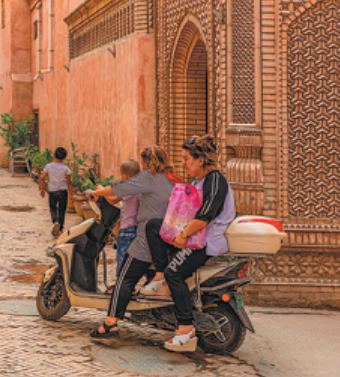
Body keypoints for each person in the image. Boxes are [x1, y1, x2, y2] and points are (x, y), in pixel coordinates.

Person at [141, 135, 235, 352]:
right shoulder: (198, 181)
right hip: (194, 235)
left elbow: (205, 216)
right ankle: (159, 276)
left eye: (186, 158)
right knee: (153, 226)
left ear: (200, 159)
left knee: (175, 273)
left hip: (205, 242)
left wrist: (182, 235)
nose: (182, 163)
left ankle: (186, 330)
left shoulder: (215, 180)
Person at [83, 146, 183, 341]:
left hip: (146, 239)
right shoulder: (171, 177)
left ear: (146, 163)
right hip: (168, 237)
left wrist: (98, 192)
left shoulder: (149, 177)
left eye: (144, 163)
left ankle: (110, 323)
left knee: (124, 279)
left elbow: (120, 188)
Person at [115, 159, 141, 276]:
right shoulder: (140, 186)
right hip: (136, 228)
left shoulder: (128, 187)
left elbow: (112, 198)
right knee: (131, 259)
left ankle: (120, 284)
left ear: (124, 176)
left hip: (126, 229)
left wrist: (98, 192)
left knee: (122, 258)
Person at [39, 147, 72, 236]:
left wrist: (42, 189)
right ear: (64, 158)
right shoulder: (65, 168)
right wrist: (71, 194)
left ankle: (55, 221)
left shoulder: (48, 166)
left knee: (53, 208)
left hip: (52, 191)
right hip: (63, 191)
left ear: (54, 155)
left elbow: (42, 178)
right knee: (62, 210)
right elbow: (69, 182)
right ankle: (60, 229)